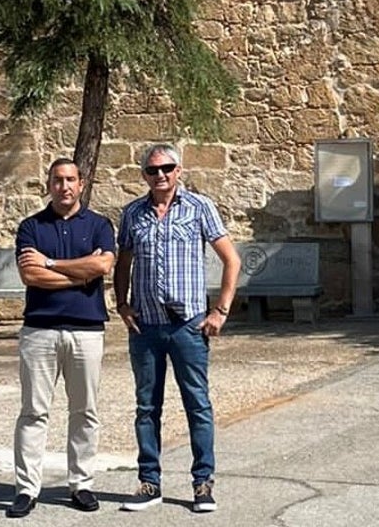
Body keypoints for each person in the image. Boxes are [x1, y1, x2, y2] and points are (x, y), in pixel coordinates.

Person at [114, 143, 241, 514]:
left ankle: (203, 483)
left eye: (167, 168)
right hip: (146, 327)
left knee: (197, 405)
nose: (161, 176)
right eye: (153, 170)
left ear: (179, 170)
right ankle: (149, 482)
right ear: (144, 175)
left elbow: (231, 260)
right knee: (146, 407)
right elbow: (123, 263)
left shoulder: (200, 208)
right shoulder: (133, 214)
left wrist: (220, 310)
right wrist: (121, 304)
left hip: (188, 326)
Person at [5, 157, 116, 519]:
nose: (64, 186)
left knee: (85, 411)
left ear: (81, 184)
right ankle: (27, 488)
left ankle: (81, 484)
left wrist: (51, 264)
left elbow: (102, 266)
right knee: (34, 411)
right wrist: (80, 275)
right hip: (40, 330)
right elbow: (30, 276)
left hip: (86, 331)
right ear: (48, 185)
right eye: (57, 180)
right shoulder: (31, 227)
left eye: (70, 180)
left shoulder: (99, 226)